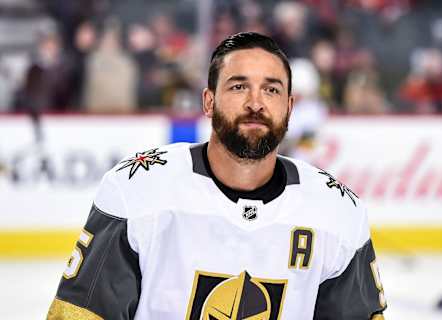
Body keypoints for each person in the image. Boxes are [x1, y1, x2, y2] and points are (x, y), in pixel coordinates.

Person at [47, 32, 386, 319]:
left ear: (289, 107)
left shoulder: (338, 212)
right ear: (208, 102)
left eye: (271, 90)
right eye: (239, 87)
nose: (256, 103)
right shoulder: (136, 189)